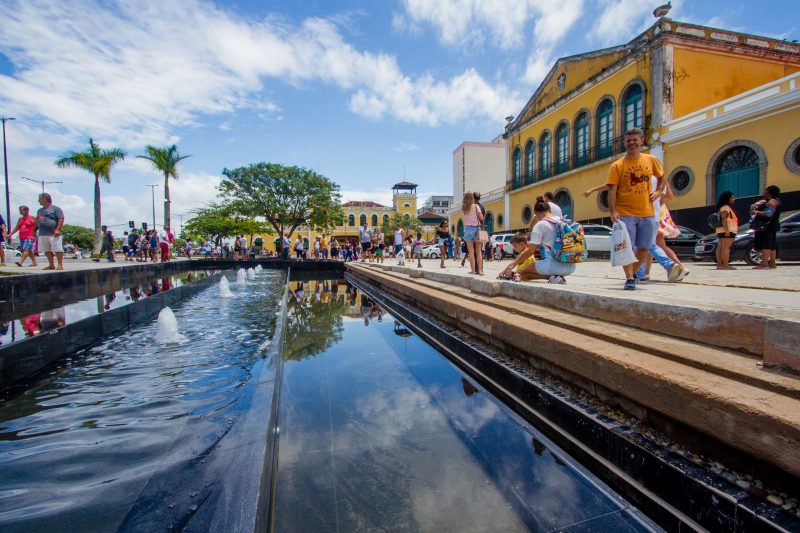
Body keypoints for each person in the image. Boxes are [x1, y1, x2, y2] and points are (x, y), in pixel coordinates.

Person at [607, 128, 665, 290]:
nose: (632, 143)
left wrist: (659, 191)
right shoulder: (617, 165)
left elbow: (662, 177)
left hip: (647, 212)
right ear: (624, 143)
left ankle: (633, 272)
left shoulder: (651, 160)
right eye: (628, 140)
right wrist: (613, 211)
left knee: (645, 247)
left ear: (641, 141)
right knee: (626, 248)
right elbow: (612, 190)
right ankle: (630, 277)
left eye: (635, 140)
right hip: (625, 212)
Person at [499, 197, 576, 283]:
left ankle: (552, 276)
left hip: (553, 265)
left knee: (521, 272)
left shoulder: (540, 225)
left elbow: (531, 250)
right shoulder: (562, 221)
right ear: (549, 210)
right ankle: (555, 278)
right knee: (523, 275)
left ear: (536, 213)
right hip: (571, 265)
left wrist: (512, 265)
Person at [751, 185, 781, 270]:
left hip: (767, 226)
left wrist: (756, 212)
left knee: (766, 244)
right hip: (771, 225)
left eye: (765, 192)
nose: (763, 193)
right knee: (772, 245)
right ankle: (772, 263)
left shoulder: (772, 202)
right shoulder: (774, 201)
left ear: (769, 193)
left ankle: (764, 264)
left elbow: (769, 213)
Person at [34, 193, 65, 270]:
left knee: (57, 249)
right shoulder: (39, 210)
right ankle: (51, 265)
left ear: (45, 199)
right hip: (42, 233)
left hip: (53, 233)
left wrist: (57, 229)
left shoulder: (56, 209)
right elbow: (37, 221)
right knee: (46, 250)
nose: (38, 201)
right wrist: (34, 230)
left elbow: (60, 219)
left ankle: (60, 264)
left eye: (40, 199)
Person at [461, 191, 484, 275]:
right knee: (478, 251)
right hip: (476, 229)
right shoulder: (476, 206)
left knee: (471, 251)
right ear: (472, 198)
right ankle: (480, 271)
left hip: (468, 229)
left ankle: (473, 271)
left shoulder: (463, 208)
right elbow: (481, 218)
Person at [715, 191, 738, 270]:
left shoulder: (722, 207)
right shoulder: (725, 208)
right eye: (732, 198)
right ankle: (725, 265)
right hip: (728, 229)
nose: (734, 199)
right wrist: (727, 230)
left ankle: (719, 265)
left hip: (721, 230)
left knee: (721, 247)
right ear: (727, 199)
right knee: (726, 248)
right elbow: (724, 219)